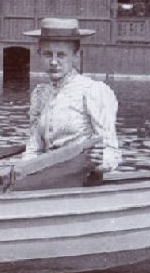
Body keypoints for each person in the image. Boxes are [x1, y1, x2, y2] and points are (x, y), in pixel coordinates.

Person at [20, 17, 122, 183]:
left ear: (75, 56)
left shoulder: (93, 91)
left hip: (82, 184)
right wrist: (19, 174)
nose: (53, 62)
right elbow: (33, 149)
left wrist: (100, 162)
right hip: (43, 182)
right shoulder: (40, 95)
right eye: (47, 54)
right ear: (39, 54)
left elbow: (112, 152)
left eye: (61, 55)